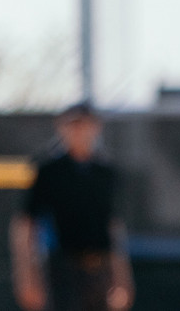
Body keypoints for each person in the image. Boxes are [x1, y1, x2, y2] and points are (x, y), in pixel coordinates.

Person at [10, 103, 134, 311]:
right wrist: (27, 277)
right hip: (63, 268)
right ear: (61, 128)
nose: (79, 131)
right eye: (72, 125)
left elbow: (113, 226)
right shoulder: (50, 171)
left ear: (96, 127)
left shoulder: (105, 173)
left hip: (100, 267)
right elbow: (26, 224)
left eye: (84, 125)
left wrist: (122, 278)